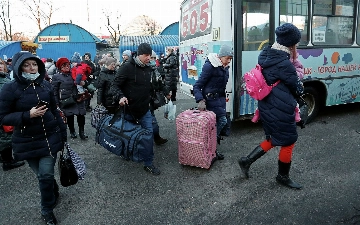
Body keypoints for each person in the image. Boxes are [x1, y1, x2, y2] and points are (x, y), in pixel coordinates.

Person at [0, 51, 68, 225]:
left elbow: (55, 111)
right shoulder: (9, 88)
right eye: (26, 65)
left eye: (34, 64)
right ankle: (52, 188)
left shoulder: (46, 85)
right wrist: (26, 115)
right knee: (43, 176)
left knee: (45, 174)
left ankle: (47, 210)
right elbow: (3, 116)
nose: (32, 68)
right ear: (18, 67)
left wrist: (63, 136)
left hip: (49, 139)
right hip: (26, 141)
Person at [238, 23, 304, 189]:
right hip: (280, 108)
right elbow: (298, 88)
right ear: (291, 44)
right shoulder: (285, 63)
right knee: (288, 141)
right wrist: (297, 68)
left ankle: (246, 160)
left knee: (275, 138)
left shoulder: (266, 54)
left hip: (267, 105)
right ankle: (282, 176)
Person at [110, 43, 161, 175]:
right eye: (146, 55)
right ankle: (125, 152)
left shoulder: (148, 68)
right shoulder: (126, 67)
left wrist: (161, 91)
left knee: (148, 135)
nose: (149, 58)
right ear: (139, 55)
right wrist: (120, 97)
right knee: (126, 135)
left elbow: (151, 86)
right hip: (128, 110)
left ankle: (148, 163)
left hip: (144, 110)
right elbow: (114, 86)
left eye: (150, 55)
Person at [193, 45, 233, 160]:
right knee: (222, 121)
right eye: (227, 58)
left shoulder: (225, 68)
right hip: (210, 100)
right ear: (221, 57)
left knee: (216, 125)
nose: (229, 61)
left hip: (220, 100)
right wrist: (200, 100)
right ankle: (210, 147)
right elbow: (197, 86)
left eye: (230, 59)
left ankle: (211, 150)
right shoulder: (210, 66)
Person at [52, 57, 88, 140]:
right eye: (64, 65)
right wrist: (56, 103)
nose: (67, 66)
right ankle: (72, 131)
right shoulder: (56, 77)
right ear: (60, 67)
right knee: (70, 117)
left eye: (68, 64)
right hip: (67, 100)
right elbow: (55, 91)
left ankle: (82, 133)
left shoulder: (74, 72)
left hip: (79, 98)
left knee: (81, 116)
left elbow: (85, 80)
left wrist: (84, 83)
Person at [0, 57, 25, 170]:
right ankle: (7, 161)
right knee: (6, 137)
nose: (0, 66)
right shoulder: (5, 81)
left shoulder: (5, 78)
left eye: (1, 64)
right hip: (4, 113)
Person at [149, 50, 170, 145]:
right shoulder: (142, 70)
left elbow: (160, 83)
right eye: (151, 58)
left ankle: (156, 138)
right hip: (144, 100)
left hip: (151, 99)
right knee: (152, 121)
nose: (153, 60)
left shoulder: (155, 69)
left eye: (154, 58)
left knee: (151, 119)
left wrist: (166, 93)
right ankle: (155, 138)